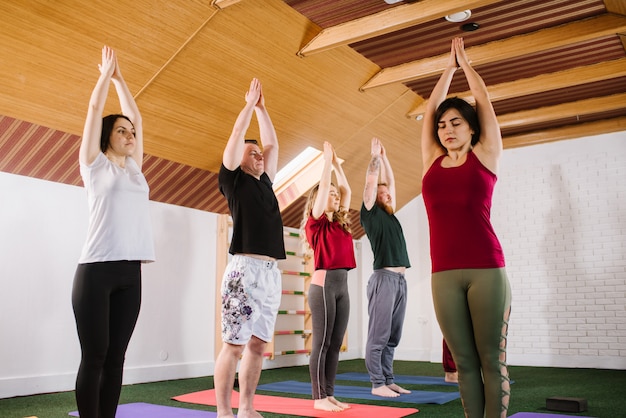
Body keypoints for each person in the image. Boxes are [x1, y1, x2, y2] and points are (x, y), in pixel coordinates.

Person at [420, 37, 512, 418]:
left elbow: (485, 103)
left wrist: (465, 65)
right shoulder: (430, 161)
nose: (446, 129)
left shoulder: (485, 155)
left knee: (491, 358)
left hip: (486, 269)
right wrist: (446, 69)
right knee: (463, 363)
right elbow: (428, 111)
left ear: (471, 128)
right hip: (443, 274)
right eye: (443, 125)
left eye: (456, 122)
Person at [72, 45, 155, 418]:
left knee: (117, 358)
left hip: (130, 272)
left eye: (132, 132)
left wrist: (124, 80)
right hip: (96, 271)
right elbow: (93, 112)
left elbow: (136, 113)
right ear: (108, 136)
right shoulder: (93, 166)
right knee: (96, 356)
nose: (130, 134)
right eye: (122, 130)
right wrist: (106, 76)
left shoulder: (135, 170)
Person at [215, 78, 285, 418]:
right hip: (244, 271)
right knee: (234, 346)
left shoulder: (266, 182)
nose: (259, 155)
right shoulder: (233, 181)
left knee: (258, 345)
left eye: (259, 154)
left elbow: (271, 143)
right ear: (239, 159)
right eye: (252, 152)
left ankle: (246, 407)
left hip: (271, 273)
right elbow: (235, 138)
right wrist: (248, 106)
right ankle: (223, 411)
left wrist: (263, 108)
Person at [301, 141, 355, 412]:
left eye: (335, 193)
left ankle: (329, 394)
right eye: (329, 193)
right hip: (323, 286)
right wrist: (325, 165)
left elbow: (347, 190)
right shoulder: (316, 222)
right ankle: (318, 397)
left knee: (335, 344)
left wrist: (337, 165)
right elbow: (326, 190)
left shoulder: (340, 222)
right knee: (321, 342)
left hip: (342, 285)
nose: (335, 194)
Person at [360, 137, 411, 398]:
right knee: (379, 335)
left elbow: (389, 183)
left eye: (387, 192)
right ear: (373, 199)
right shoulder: (370, 213)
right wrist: (375, 158)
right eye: (382, 194)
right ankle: (376, 383)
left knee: (393, 336)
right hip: (384, 279)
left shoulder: (390, 214)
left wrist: (387, 157)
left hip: (400, 280)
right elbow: (372, 182)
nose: (387, 193)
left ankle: (389, 379)